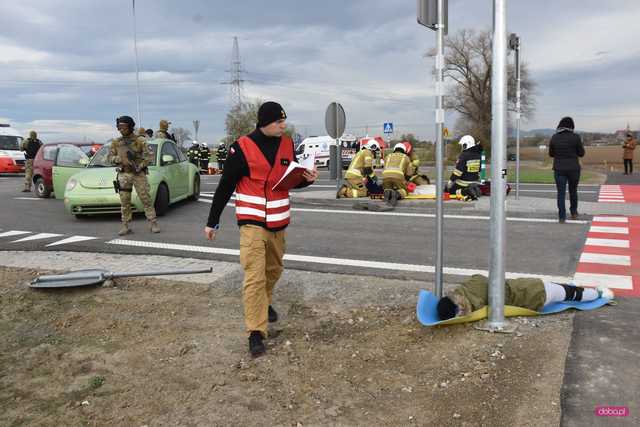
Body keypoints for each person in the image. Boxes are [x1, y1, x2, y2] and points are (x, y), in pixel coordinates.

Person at [203, 101, 318, 357]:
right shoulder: (242, 148)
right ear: (264, 123)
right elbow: (225, 186)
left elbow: (289, 180)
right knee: (254, 277)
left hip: (279, 223)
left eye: (283, 121)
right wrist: (213, 221)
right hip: (252, 223)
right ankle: (256, 332)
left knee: (273, 271)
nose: (283, 125)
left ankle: (264, 304)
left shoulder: (287, 144)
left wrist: (305, 180)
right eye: (278, 122)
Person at [437, 274, 614, 321]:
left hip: (535, 295)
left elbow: (470, 310)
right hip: (527, 286)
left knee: (572, 295)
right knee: (564, 291)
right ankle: (576, 287)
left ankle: (599, 294)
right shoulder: (472, 283)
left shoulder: (477, 303)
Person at [108, 115, 160, 236]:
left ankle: (153, 222)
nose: (121, 129)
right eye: (119, 127)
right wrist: (118, 159)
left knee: (145, 198)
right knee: (124, 201)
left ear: (130, 126)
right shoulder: (116, 142)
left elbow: (149, 156)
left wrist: (140, 165)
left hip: (138, 174)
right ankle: (125, 225)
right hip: (124, 174)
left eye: (124, 127)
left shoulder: (140, 141)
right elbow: (109, 158)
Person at [549, 116, 585, 223]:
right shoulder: (576, 137)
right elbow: (581, 153)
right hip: (574, 168)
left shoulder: (554, 137)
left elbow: (551, 154)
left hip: (559, 168)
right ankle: (573, 212)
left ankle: (562, 216)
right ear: (571, 126)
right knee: (573, 191)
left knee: (561, 193)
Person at [445, 135, 482, 200]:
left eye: (463, 145)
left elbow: (458, 172)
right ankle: (474, 190)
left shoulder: (464, 155)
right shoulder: (478, 155)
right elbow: (479, 169)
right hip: (474, 181)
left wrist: (451, 181)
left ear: (466, 145)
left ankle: (466, 191)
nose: (462, 147)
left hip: (463, 182)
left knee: (450, 192)